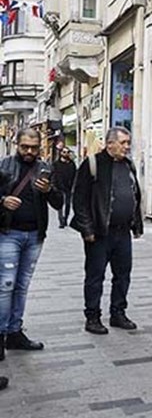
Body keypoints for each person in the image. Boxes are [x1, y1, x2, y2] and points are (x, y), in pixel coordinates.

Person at [71, 126, 143, 335]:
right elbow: (79, 199)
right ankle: (92, 316)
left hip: (123, 232)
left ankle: (118, 313)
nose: (127, 147)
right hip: (99, 232)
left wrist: (136, 225)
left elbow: (135, 195)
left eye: (128, 143)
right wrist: (87, 229)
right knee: (95, 276)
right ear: (110, 143)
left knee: (123, 275)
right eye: (123, 143)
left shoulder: (129, 165)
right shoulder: (93, 164)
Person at [0, 128, 64, 359]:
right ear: (16, 144)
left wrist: (49, 191)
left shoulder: (45, 168)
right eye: (24, 147)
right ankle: (1, 335)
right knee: (5, 285)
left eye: (34, 148)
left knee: (22, 285)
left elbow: (59, 203)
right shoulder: (4, 166)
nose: (29, 151)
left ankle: (15, 332)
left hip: (35, 236)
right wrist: (3, 200)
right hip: (8, 234)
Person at [53, 146, 77, 228]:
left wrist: (73, 185)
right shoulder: (56, 164)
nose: (65, 154)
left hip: (68, 187)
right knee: (60, 204)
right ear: (60, 153)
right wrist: (54, 185)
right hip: (59, 187)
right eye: (63, 152)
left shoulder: (72, 164)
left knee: (67, 204)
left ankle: (65, 219)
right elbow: (53, 175)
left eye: (67, 152)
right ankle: (61, 221)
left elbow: (75, 175)